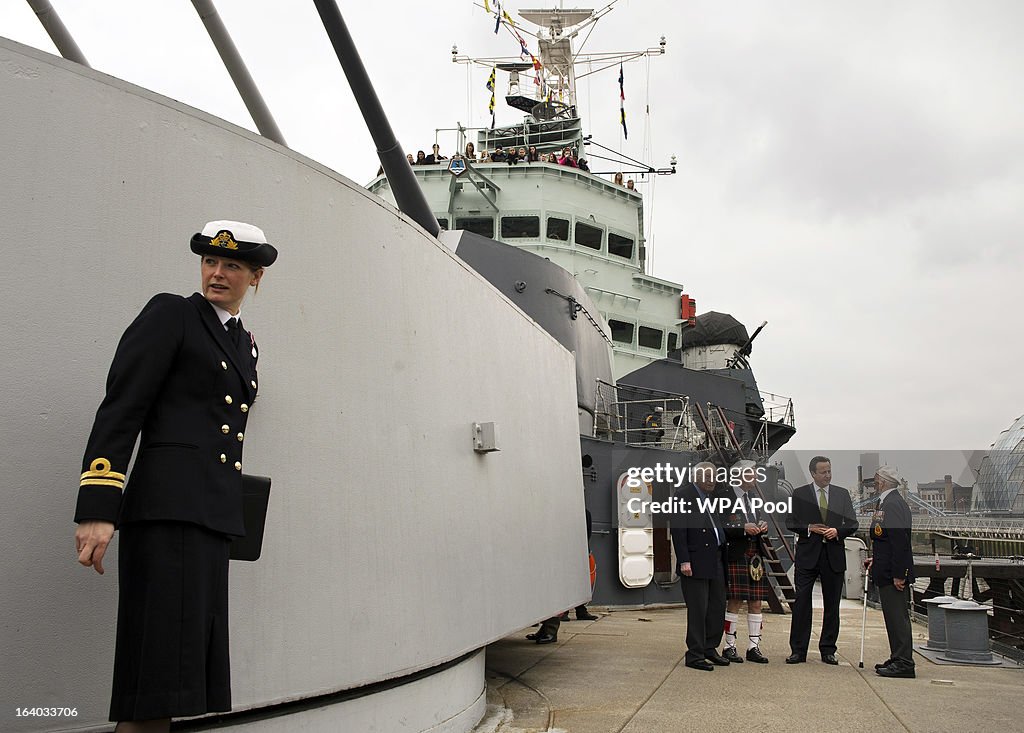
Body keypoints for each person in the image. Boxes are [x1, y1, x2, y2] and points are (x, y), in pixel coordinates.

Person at [74, 220, 278, 732]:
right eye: (210, 262)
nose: (217, 273)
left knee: (177, 678)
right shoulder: (173, 314)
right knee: (154, 679)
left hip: (207, 520)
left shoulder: (244, 343)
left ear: (255, 276)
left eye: (232, 265)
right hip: (166, 516)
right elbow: (122, 408)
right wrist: (100, 510)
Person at [785, 455, 858, 665]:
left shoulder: (842, 494)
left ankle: (828, 649)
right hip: (807, 557)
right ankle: (798, 650)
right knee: (801, 604)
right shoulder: (799, 494)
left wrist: (838, 531)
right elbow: (790, 522)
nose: (828, 475)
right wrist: (809, 528)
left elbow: (852, 522)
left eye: (829, 471)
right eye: (823, 472)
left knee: (832, 605)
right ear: (813, 474)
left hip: (832, 556)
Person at [671, 462, 730, 671]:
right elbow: (678, 530)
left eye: (713, 476)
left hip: (716, 558)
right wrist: (684, 560)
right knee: (698, 609)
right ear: (695, 476)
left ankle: (709, 648)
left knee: (717, 606)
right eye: (706, 476)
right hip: (695, 562)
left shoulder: (711, 498)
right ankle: (695, 654)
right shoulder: (683, 496)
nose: (710, 480)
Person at [867, 466, 916, 678]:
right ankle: (898, 657)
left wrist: (899, 574)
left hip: (892, 574)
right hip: (885, 568)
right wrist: (876, 559)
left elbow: (899, 542)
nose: (875, 483)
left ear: (884, 481)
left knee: (897, 618)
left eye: (877, 479)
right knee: (892, 618)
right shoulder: (887, 502)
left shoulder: (893, 504)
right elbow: (885, 540)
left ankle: (904, 662)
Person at [721, 460, 771, 664]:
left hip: (755, 554)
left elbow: (756, 519)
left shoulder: (753, 498)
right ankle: (729, 646)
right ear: (739, 476)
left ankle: (754, 647)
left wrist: (762, 525)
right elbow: (721, 525)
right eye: (751, 474)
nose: (755, 478)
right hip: (737, 553)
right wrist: (743, 528)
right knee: (734, 601)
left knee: (756, 602)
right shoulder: (725, 497)